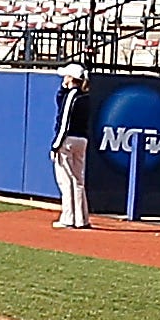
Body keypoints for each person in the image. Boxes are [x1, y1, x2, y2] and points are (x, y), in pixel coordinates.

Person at [52, 62, 97, 228]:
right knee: (78, 180)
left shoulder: (73, 95)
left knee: (66, 180)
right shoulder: (84, 96)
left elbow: (64, 121)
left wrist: (56, 144)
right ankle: (81, 219)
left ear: (71, 78)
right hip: (81, 140)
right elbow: (60, 100)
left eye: (66, 76)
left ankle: (68, 218)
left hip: (68, 140)